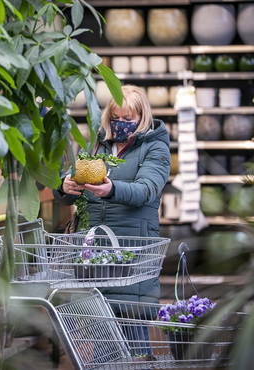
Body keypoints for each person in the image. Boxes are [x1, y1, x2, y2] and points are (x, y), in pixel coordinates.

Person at [56, 84, 171, 357]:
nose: (120, 124)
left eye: (128, 119)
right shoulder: (97, 145)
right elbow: (71, 184)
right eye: (116, 118)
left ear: (141, 118)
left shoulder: (155, 147)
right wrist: (64, 186)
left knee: (132, 337)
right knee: (102, 336)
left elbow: (146, 190)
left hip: (132, 253)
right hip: (95, 255)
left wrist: (112, 189)